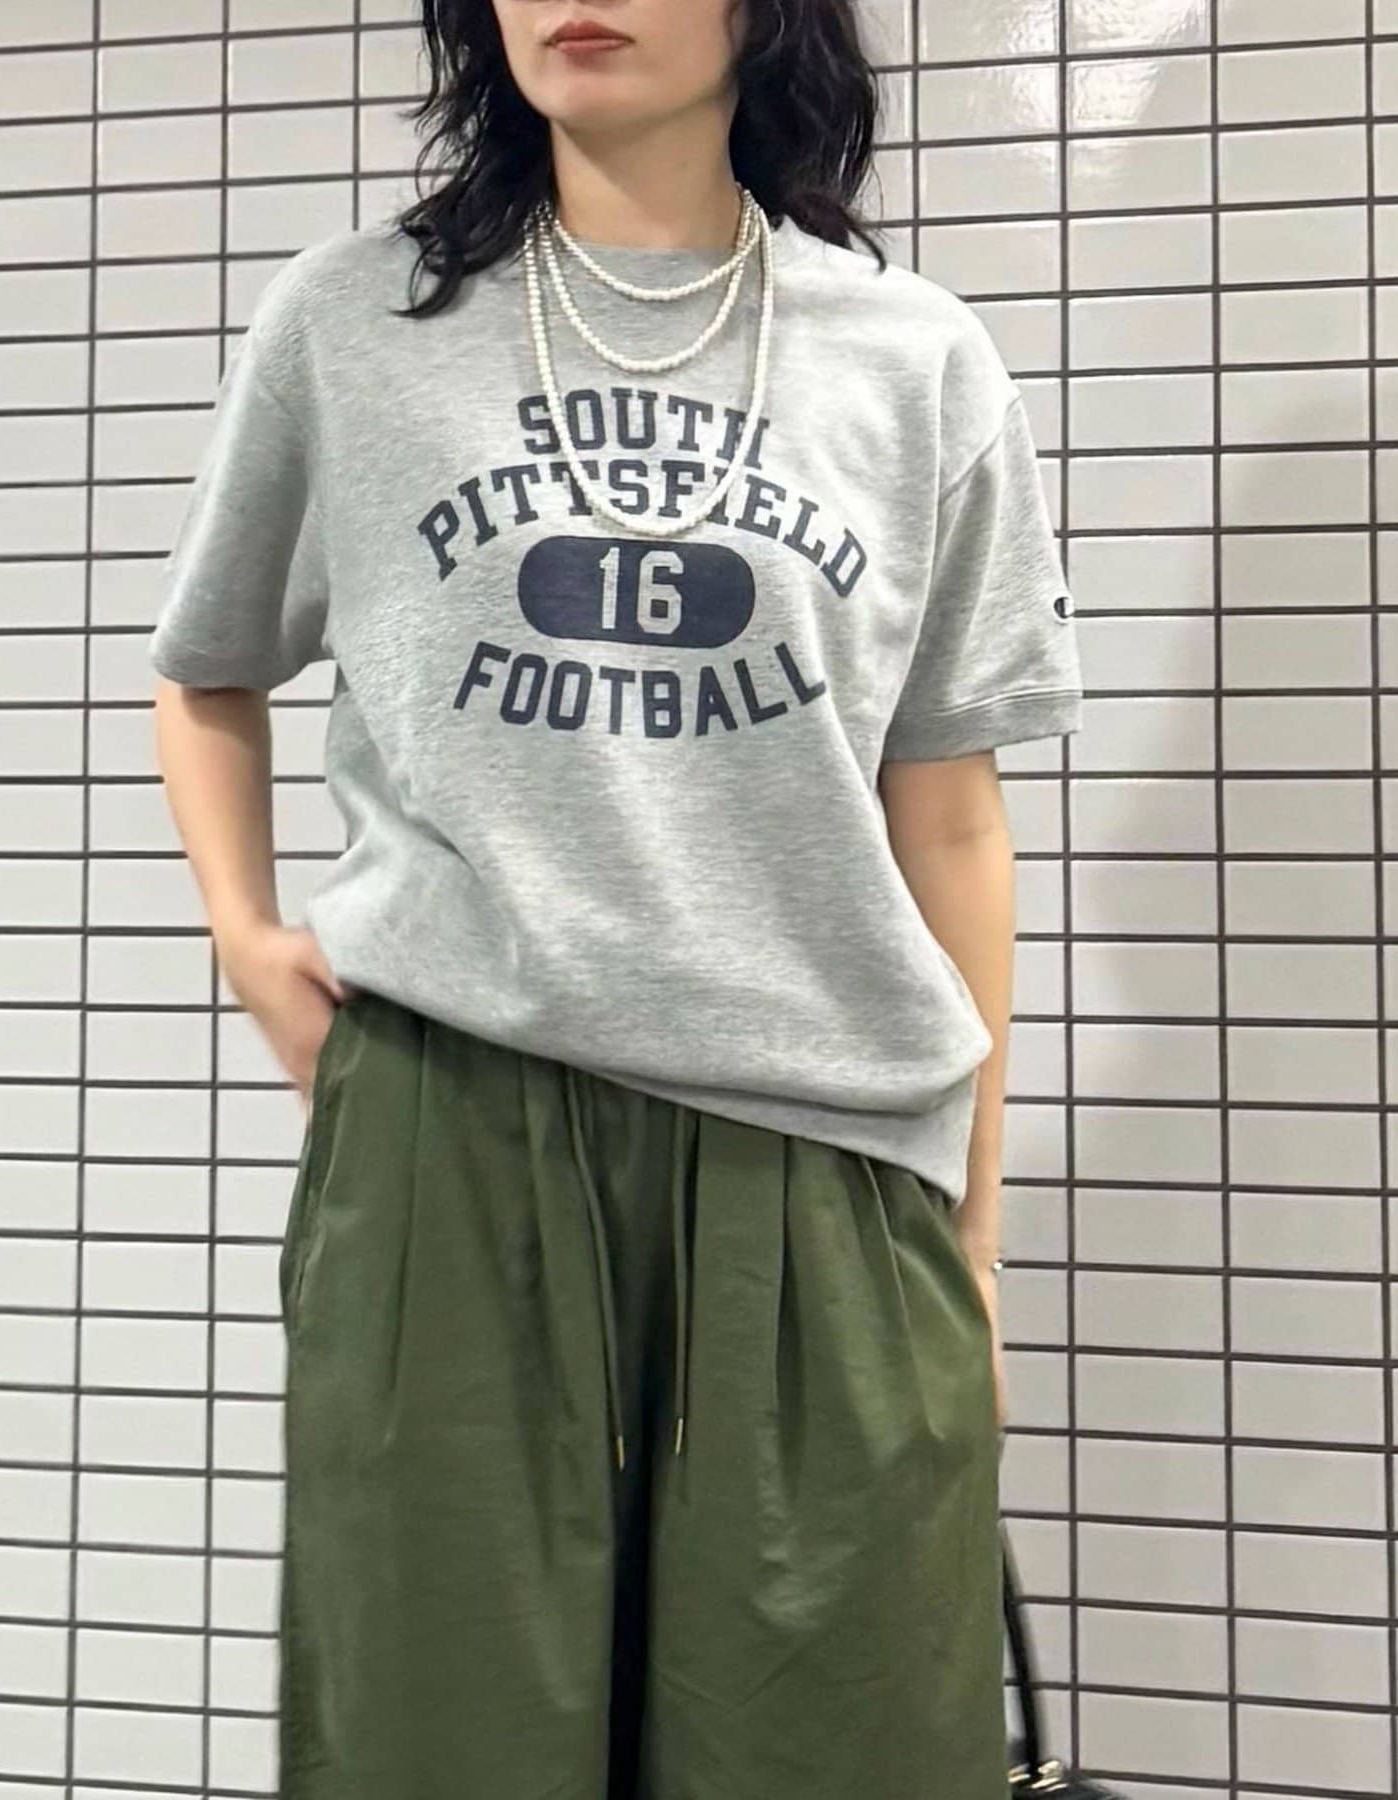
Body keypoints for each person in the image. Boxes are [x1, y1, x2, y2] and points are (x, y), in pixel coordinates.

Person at [148, 0, 1084, 1793]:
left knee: (834, 1744)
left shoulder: (914, 359)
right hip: (454, 1140)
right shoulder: (355, 322)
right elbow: (206, 672)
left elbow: (951, 818)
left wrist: (972, 1231)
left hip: (822, 1163)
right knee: (443, 1744)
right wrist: (247, 939)